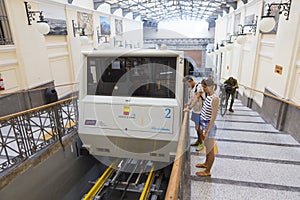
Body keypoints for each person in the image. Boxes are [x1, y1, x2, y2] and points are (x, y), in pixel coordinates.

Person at [194, 77, 219, 177]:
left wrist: (207, 130)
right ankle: (206, 163)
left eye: (205, 87)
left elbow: (213, 117)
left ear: (210, 86)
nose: (203, 89)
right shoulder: (209, 96)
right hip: (204, 125)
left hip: (209, 126)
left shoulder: (215, 99)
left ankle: (207, 171)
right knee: (207, 147)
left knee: (210, 149)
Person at [183, 76, 206, 151]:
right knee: (197, 128)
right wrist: (189, 104)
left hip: (201, 111)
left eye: (187, 84)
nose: (187, 86)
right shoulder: (192, 89)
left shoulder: (199, 86)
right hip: (195, 111)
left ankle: (201, 143)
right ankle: (198, 141)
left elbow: (197, 97)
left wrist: (189, 108)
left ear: (190, 81)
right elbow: (193, 99)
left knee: (200, 129)